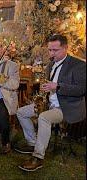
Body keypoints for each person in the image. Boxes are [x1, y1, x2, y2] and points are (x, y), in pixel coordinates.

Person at [16, 34, 86, 172]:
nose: (51, 53)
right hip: (50, 103)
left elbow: (81, 89)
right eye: (49, 50)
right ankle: (33, 143)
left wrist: (58, 86)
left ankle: (38, 157)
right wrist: (44, 90)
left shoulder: (79, 65)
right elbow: (48, 85)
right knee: (21, 112)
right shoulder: (50, 65)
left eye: (55, 50)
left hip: (67, 107)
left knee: (44, 118)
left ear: (66, 48)